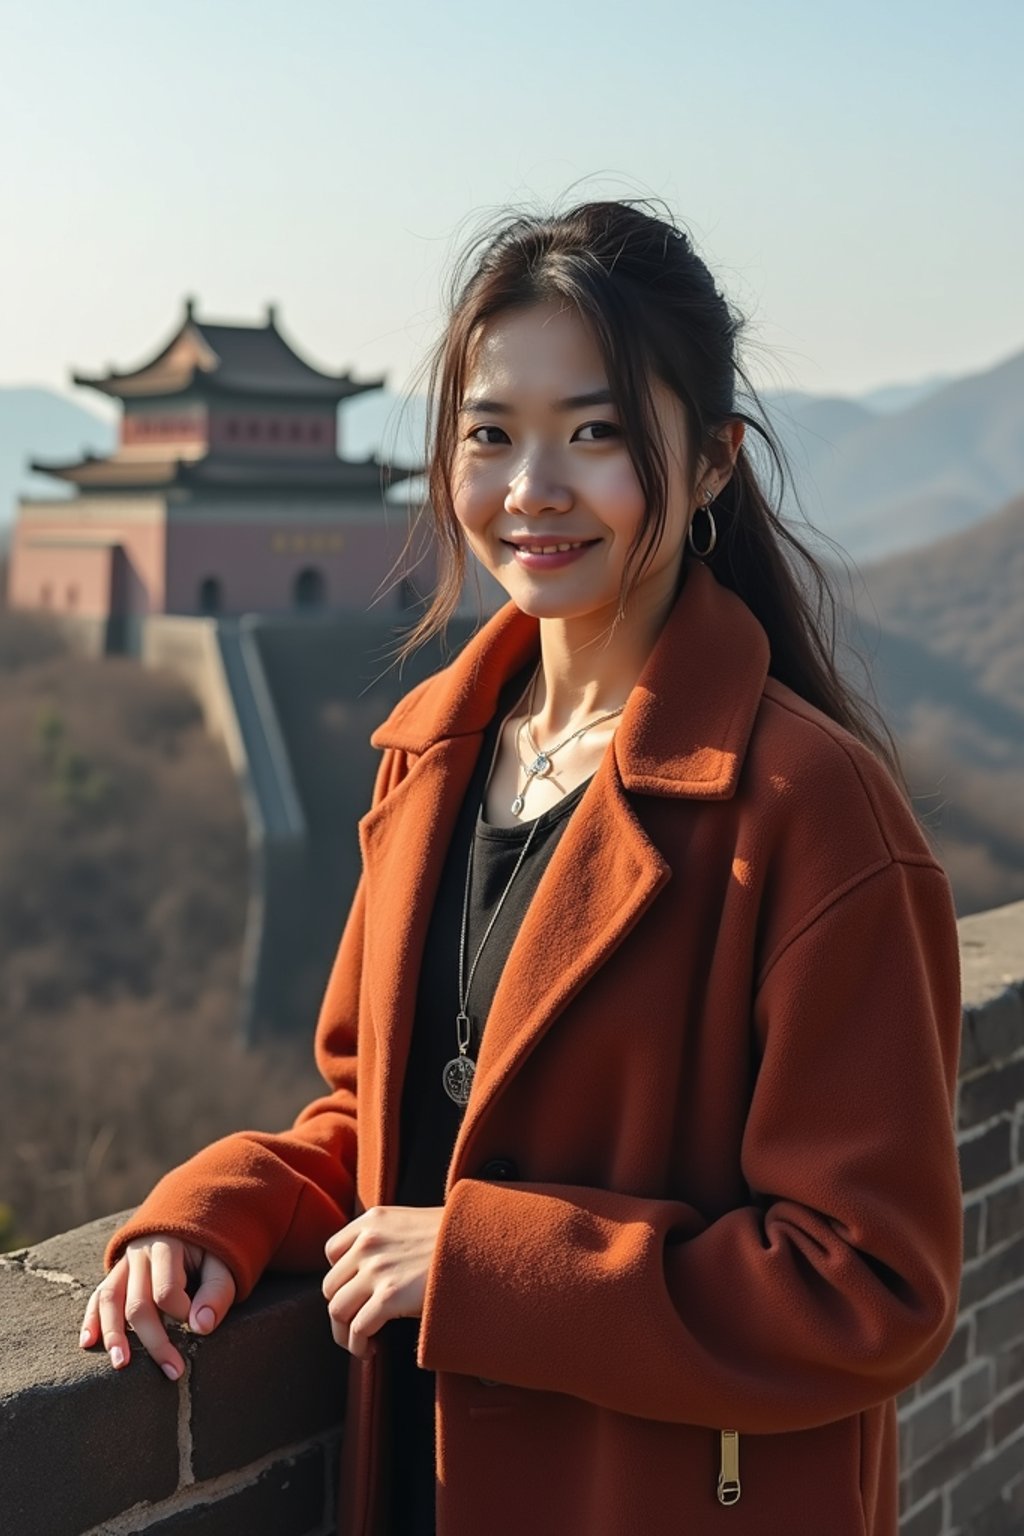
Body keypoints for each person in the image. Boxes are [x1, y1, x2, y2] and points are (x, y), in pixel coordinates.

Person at [78, 197, 964, 1536]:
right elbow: (381, 1118)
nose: (530, 490)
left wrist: (489, 1269)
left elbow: (872, 1286)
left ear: (715, 462)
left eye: (595, 433)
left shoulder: (808, 814)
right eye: (491, 435)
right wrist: (214, 1211)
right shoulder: (433, 761)